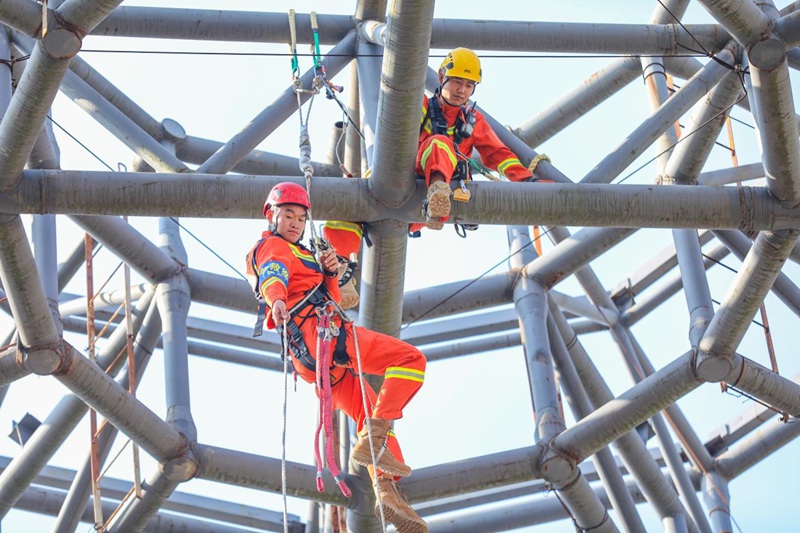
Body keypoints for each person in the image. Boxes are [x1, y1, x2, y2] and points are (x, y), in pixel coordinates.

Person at [246, 182, 428, 533]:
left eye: (301, 217)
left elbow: (329, 296)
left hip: (315, 360)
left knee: (367, 411)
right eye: (288, 215)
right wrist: (277, 298)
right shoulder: (272, 246)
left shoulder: (302, 255)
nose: (296, 223)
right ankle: (376, 442)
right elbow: (273, 272)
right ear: (272, 215)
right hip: (323, 336)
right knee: (411, 361)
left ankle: (387, 492)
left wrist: (329, 273)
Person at [321, 48, 534, 302]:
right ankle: (340, 277)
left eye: (468, 85)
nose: (461, 90)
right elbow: (397, 131)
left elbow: (499, 155)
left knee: (439, 144)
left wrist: (529, 181)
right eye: (457, 81)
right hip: (401, 184)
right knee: (348, 205)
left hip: (428, 204)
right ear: (442, 76)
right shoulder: (419, 106)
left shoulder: (473, 120)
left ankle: (438, 192)